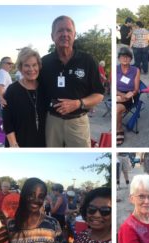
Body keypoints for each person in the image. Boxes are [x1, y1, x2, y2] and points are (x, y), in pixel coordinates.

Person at [39, 15, 104, 147]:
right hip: (52, 122)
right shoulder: (44, 62)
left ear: (75, 34)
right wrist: (4, 93)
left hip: (78, 122)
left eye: (68, 30)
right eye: (60, 31)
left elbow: (99, 94)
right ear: (52, 36)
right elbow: (31, 86)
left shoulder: (88, 60)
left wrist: (78, 103)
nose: (64, 34)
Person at [3, 47, 46, 147]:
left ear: (39, 66)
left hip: (41, 143)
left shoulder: (44, 88)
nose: (31, 69)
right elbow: (7, 122)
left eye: (34, 65)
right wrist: (14, 144)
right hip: (19, 143)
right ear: (20, 68)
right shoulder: (12, 90)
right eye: (27, 65)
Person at [116, 47, 140, 146]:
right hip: (117, 93)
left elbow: (136, 89)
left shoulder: (135, 70)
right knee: (116, 107)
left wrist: (129, 95)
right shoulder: (115, 69)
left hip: (130, 95)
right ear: (119, 58)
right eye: (122, 56)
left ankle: (119, 129)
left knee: (116, 109)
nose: (125, 59)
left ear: (131, 59)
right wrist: (121, 95)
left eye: (127, 57)